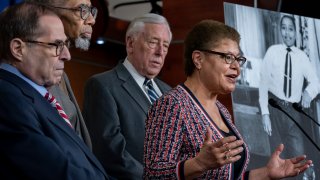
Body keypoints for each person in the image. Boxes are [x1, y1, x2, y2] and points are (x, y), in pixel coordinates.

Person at [143, 19, 312, 179]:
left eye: (238, 59)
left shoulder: (221, 110)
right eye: (228, 57)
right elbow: (152, 175)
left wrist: (267, 173)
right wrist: (198, 164)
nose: (237, 68)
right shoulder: (172, 105)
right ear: (198, 59)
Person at [0, 2, 109, 179]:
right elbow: (55, 171)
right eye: (56, 45)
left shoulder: (36, 95)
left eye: (65, 44)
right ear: (18, 49)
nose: (67, 55)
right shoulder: (7, 98)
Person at [82, 13, 172, 179]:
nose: (160, 52)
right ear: (130, 43)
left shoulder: (169, 92)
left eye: (165, 46)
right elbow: (110, 152)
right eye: (153, 42)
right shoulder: (102, 85)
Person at [26, 0, 98, 148]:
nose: (92, 20)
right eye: (82, 9)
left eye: (91, 11)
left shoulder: (61, 74)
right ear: (47, 11)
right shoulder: (30, 73)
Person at [259, 15, 320, 162]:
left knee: (298, 156)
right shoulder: (272, 52)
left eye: (291, 29)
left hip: (294, 112)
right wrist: (265, 114)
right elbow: (263, 84)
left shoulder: (302, 56)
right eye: (284, 28)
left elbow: (316, 82)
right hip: (274, 109)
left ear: (296, 32)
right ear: (280, 30)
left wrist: (307, 93)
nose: (287, 33)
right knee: (278, 157)